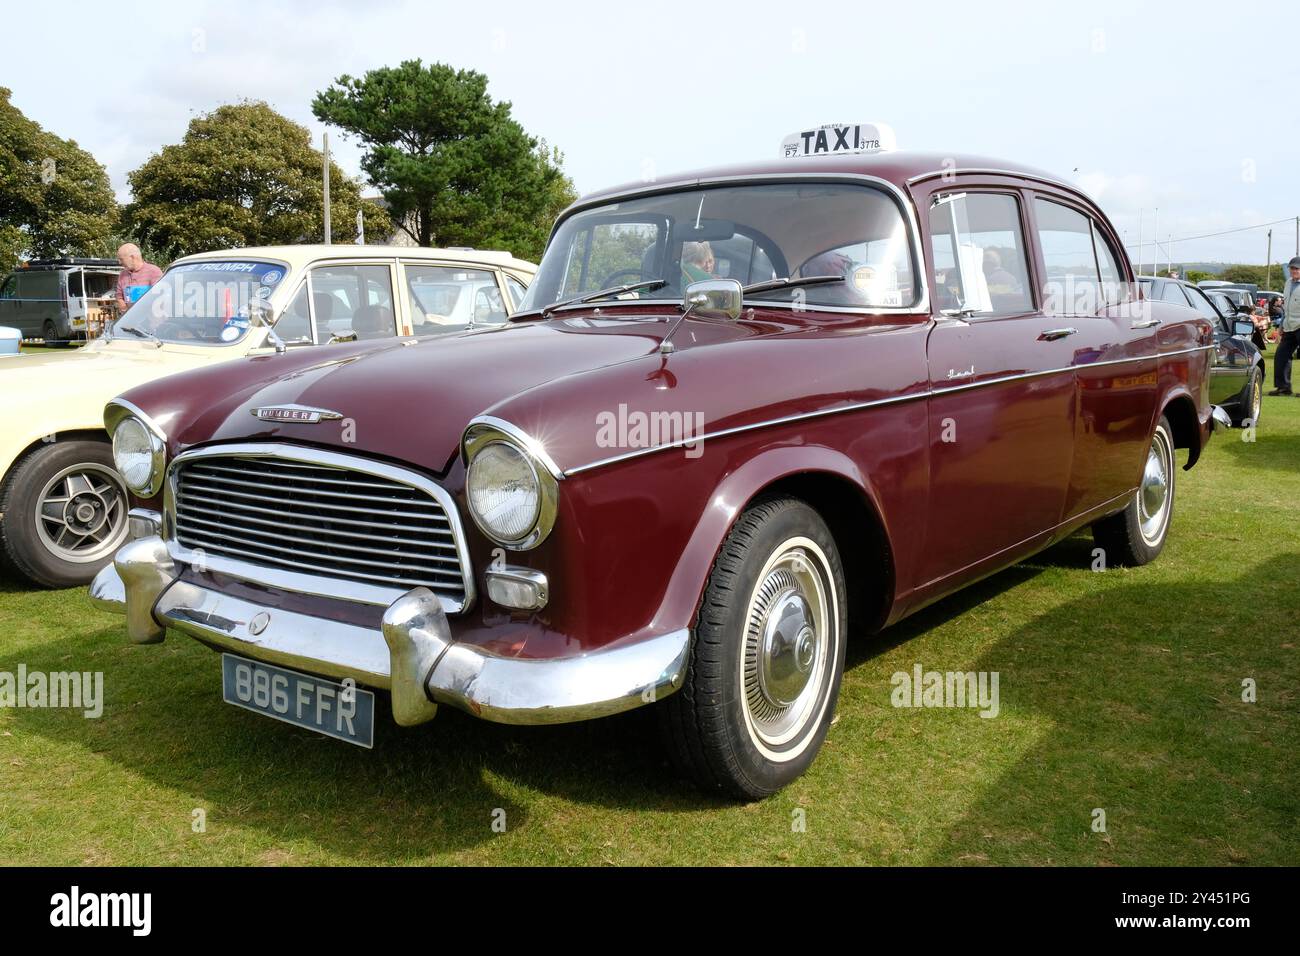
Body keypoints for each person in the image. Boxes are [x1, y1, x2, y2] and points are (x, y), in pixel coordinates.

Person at [1270, 257, 1300, 396]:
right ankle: (1283, 387)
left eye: (1297, 268)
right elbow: (1286, 307)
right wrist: (1281, 325)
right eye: (1292, 268)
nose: (1294, 271)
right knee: (1281, 356)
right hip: (1289, 325)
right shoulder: (1288, 283)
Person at [114, 243, 162, 315]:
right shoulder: (122, 275)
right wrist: (125, 312)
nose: (119, 262)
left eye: (121, 259)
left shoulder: (154, 272)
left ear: (132, 257)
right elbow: (119, 297)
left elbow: (160, 298)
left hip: (150, 319)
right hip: (130, 320)